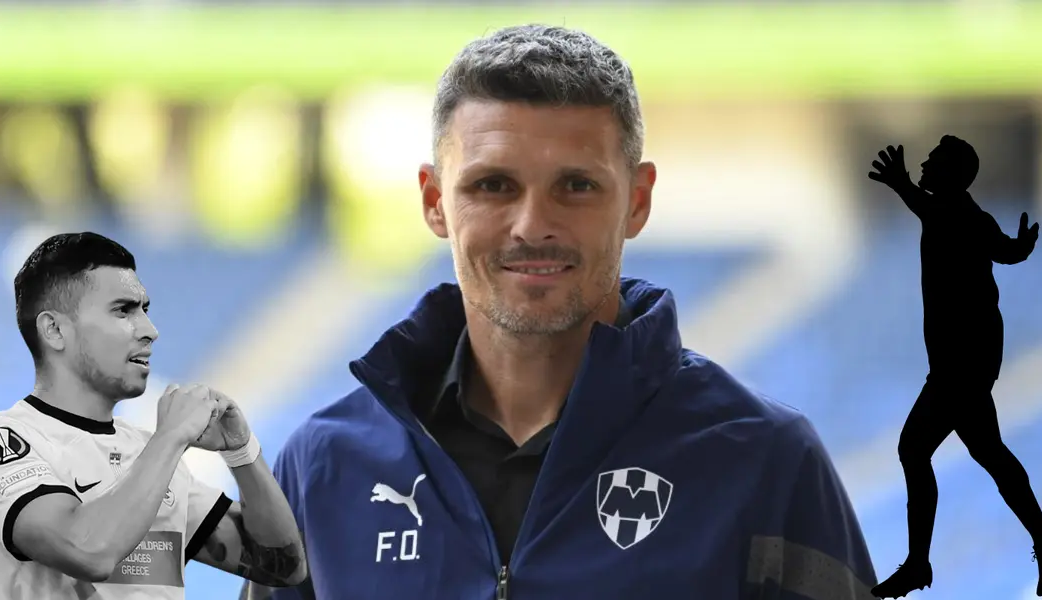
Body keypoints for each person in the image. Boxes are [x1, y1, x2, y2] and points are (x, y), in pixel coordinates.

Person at [244, 24, 876, 600]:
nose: (533, 225)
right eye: (493, 185)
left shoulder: (763, 461)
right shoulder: (322, 467)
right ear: (436, 201)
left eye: (576, 186)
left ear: (637, 199)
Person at [0, 232, 308, 599]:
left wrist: (241, 451)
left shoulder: (149, 454)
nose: (150, 331)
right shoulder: (7, 440)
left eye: (145, 310)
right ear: (55, 330)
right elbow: (88, 551)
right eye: (123, 310)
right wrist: (170, 438)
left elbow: (282, 566)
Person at [867, 139, 1042, 598]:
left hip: (962, 362)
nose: (924, 164)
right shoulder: (969, 217)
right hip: (966, 358)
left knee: (915, 449)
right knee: (987, 452)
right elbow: (1006, 252)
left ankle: (919, 564)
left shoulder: (954, 214)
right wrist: (1022, 245)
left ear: (952, 174)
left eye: (933, 161)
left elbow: (930, 209)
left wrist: (899, 182)